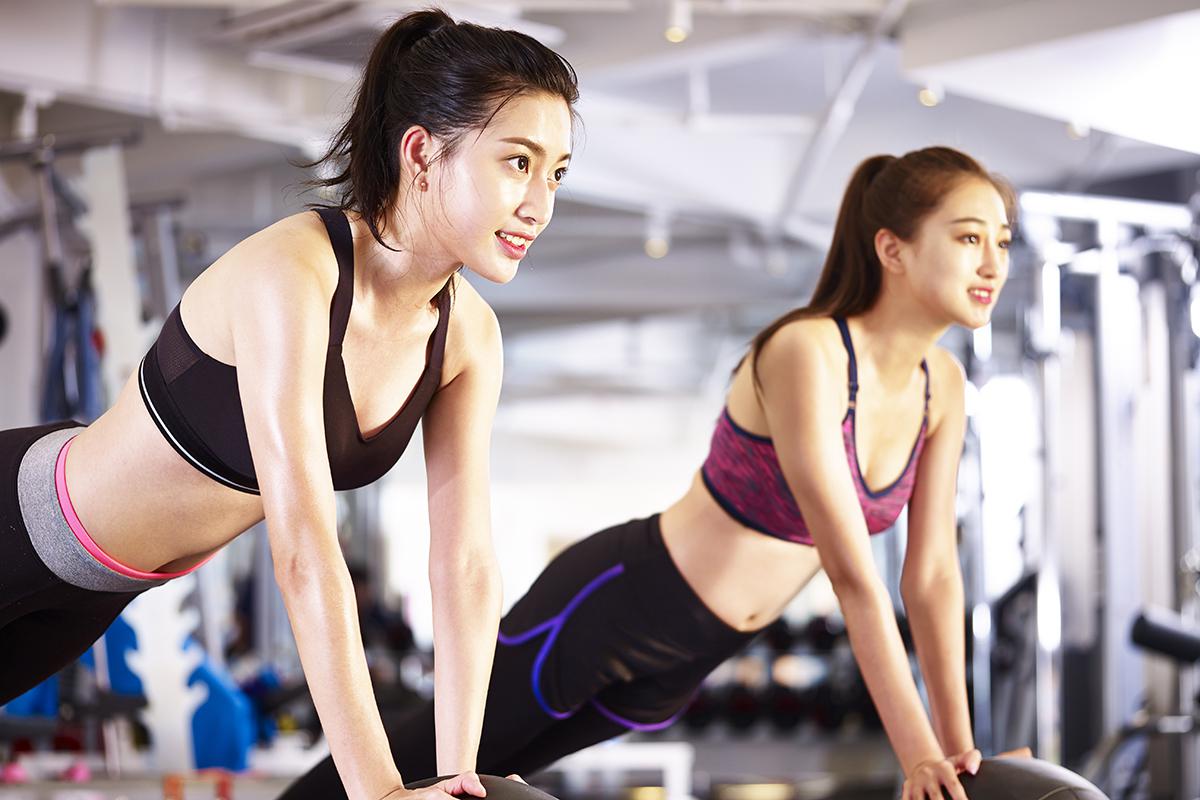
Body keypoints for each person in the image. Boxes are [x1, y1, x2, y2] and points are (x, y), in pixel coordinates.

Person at [280, 146, 1015, 800]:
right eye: (969, 238)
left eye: (1002, 243)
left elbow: (933, 579)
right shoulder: (810, 354)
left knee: (483, 789)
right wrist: (918, 757)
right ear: (892, 248)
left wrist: (961, 758)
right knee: (425, 769)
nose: (993, 264)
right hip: (616, 608)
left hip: (688, 660)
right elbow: (856, 578)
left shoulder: (941, 385)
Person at [0, 9, 578, 800]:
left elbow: (465, 564)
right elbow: (304, 549)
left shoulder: (469, 336)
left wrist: (457, 776)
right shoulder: (296, 272)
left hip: (94, 594)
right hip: (20, 526)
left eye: (557, 173)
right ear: (422, 153)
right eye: (519, 162)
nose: (540, 204)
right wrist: (377, 793)